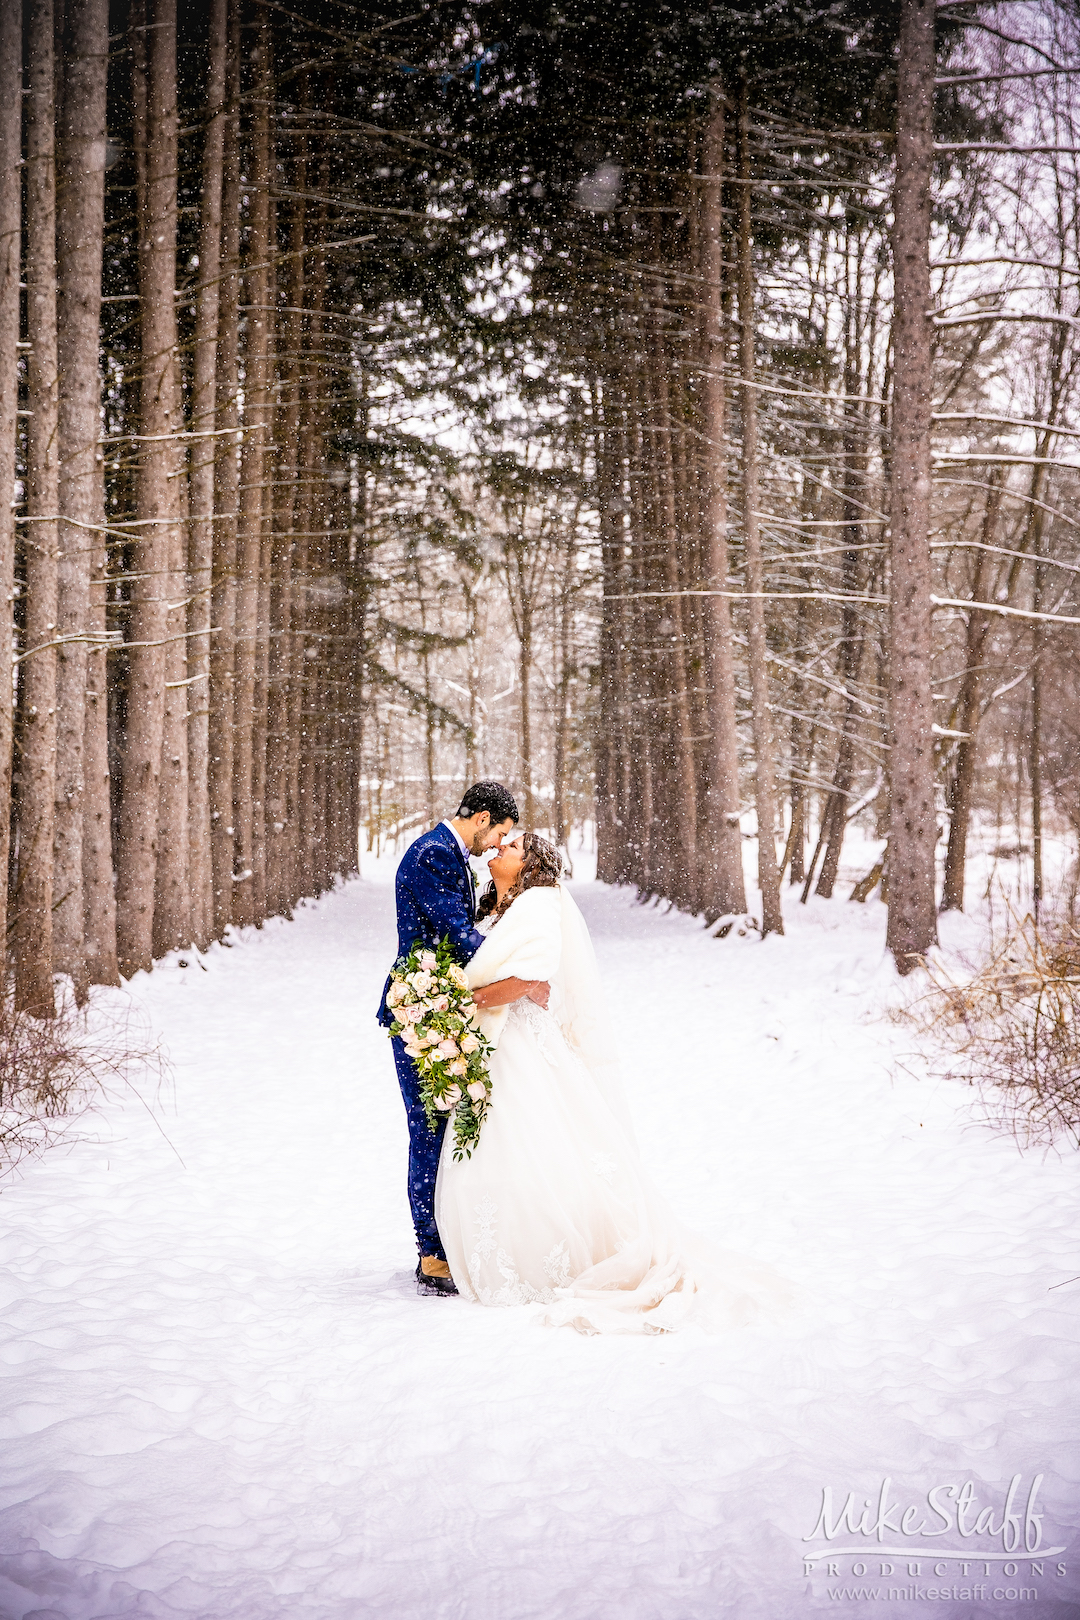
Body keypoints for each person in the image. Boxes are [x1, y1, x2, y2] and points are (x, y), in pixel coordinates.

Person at [434, 831, 789, 1334]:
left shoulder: (537, 904)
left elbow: (526, 978)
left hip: (517, 1043)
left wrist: (456, 1003)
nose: (498, 851)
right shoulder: (506, 903)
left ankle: (550, 1248)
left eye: (510, 848)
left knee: (529, 1138)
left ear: (530, 864)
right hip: (500, 1041)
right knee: (509, 1142)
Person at [378, 782, 550, 1297]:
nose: (498, 843)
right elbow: (458, 936)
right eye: (498, 831)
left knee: (450, 1128)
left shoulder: (451, 855)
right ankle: (432, 1254)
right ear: (480, 818)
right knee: (429, 1130)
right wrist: (521, 970)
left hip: (444, 1008)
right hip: (421, 1012)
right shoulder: (434, 854)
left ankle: (451, 1240)